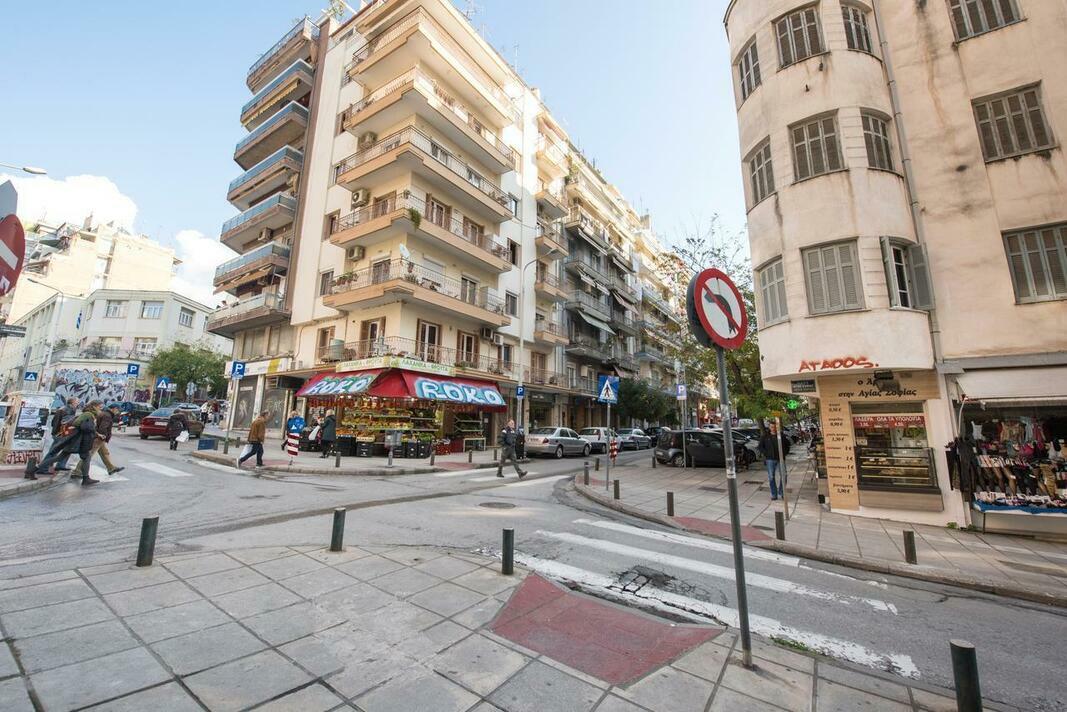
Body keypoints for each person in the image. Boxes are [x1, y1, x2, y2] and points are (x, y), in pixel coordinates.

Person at [759, 422, 791, 501]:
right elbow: (760, 447)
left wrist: (785, 453)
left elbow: (788, 445)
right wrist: (766, 453)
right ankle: (774, 494)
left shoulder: (781, 436)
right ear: (769, 427)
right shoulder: (765, 436)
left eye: (775, 427)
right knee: (771, 477)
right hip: (770, 459)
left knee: (784, 475)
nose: (773, 428)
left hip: (780, 459)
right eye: (772, 427)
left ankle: (782, 492)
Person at [91, 404, 125, 476]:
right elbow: (103, 427)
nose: (118, 412)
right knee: (89, 455)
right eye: (118, 410)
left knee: (105, 453)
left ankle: (111, 468)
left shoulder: (104, 413)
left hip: (99, 437)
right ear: (114, 408)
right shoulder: (107, 416)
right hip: (100, 438)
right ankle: (77, 471)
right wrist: (104, 436)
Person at [49, 397, 79, 471]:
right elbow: (67, 423)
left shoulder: (62, 409)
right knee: (66, 449)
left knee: (54, 450)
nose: (78, 404)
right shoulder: (69, 410)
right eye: (76, 402)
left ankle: (49, 464)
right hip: (61, 433)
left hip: (57, 432)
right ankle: (54, 465)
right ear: (72, 403)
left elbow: (53, 422)